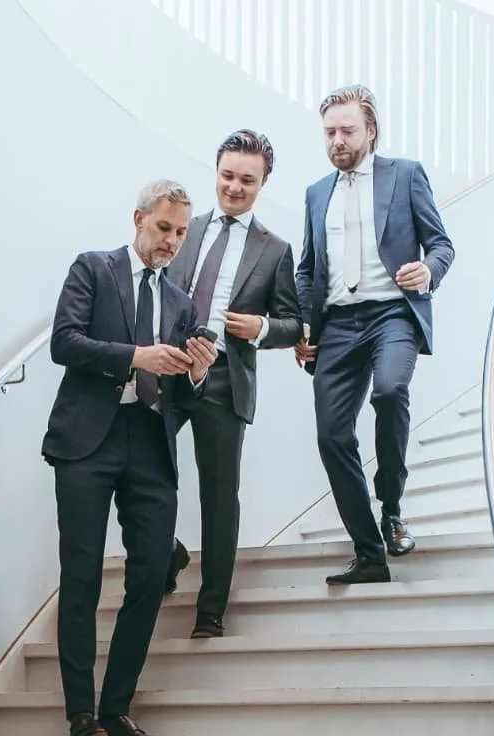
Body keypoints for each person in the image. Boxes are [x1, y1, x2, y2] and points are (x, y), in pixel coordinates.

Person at [42, 180, 217, 736]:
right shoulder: (93, 270)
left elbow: (186, 404)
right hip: (88, 440)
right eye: (163, 228)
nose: (170, 241)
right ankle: (80, 715)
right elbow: (64, 343)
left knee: (148, 575)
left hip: (148, 442)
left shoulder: (182, 306)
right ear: (139, 219)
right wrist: (136, 356)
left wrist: (194, 373)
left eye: (181, 233)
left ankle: (116, 708)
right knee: (84, 574)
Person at [295, 84, 455, 583]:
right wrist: (304, 322)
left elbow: (442, 245)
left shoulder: (404, 175)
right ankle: (369, 553)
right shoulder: (315, 192)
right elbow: (307, 269)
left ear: (371, 132)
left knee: (389, 391)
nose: (337, 140)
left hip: (392, 314)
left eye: (347, 130)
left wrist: (428, 272)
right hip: (338, 323)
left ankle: (391, 506)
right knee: (331, 435)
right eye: (329, 132)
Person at [165, 129, 303, 637]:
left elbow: (292, 322)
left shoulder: (275, 249)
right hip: (168, 367)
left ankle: (211, 608)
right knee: (140, 476)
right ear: (216, 172)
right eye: (227, 176)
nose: (235, 187)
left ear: (263, 183)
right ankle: (168, 557)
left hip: (224, 381)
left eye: (247, 179)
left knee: (219, 497)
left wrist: (262, 328)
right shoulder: (187, 229)